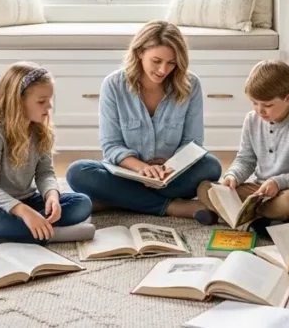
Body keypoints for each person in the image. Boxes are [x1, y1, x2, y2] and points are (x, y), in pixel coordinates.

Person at [66, 20, 222, 218]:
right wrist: (143, 169)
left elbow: (192, 143)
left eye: (171, 63)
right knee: (78, 171)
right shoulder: (114, 85)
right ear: (139, 52)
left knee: (211, 166)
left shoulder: (191, 85)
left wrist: (170, 165)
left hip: (170, 176)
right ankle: (171, 207)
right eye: (156, 61)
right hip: (127, 174)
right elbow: (111, 145)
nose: (163, 70)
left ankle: (117, 200)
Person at [0, 62, 93, 246]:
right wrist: (24, 213)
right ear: (17, 101)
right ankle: (52, 233)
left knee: (82, 203)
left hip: (26, 200)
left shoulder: (40, 130)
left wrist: (52, 197)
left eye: (49, 100)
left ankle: (11, 233)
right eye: (41, 101)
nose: (48, 106)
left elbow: (45, 173)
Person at [194, 60, 289, 229]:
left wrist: (277, 183)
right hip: (260, 190)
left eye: (267, 105)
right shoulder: (251, 119)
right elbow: (245, 159)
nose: (260, 111)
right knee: (206, 189)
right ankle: (260, 220)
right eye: (254, 103)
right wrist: (232, 176)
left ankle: (228, 215)